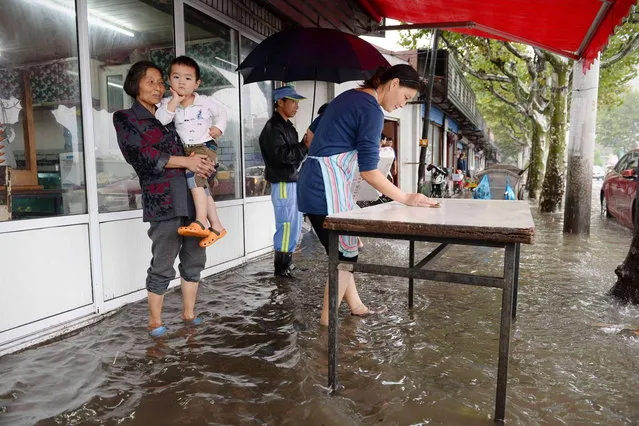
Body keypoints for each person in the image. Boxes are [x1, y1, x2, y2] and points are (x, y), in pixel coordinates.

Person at [297, 64, 439, 326]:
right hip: (324, 187)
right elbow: (370, 172)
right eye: (405, 98)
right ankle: (327, 324)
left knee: (345, 249)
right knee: (344, 255)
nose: (402, 105)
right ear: (394, 83)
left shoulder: (351, 96)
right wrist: (407, 197)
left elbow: (311, 133)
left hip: (316, 181)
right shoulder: (371, 109)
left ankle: (357, 305)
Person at [113, 61, 215, 337]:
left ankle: (188, 314)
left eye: (161, 83)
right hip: (163, 199)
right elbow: (142, 156)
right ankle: (155, 321)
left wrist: (204, 165)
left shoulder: (174, 113)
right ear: (135, 86)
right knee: (163, 261)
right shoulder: (125, 118)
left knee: (195, 258)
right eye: (151, 82)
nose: (159, 88)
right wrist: (187, 161)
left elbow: (195, 144)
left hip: (192, 198)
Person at [156, 56, 228, 248]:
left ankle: (200, 221)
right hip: (188, 150)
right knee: (202, 186)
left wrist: (218, 128)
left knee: (194, 177)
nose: (181, 82)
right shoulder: (166, 103)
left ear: (196, 84)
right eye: (176, 77)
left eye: (188, 78)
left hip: (205, 145)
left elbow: (222, 113)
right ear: (169, 80)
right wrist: (174, 101)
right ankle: (217, 226)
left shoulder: (205, 102)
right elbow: (161, 120)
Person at [259, 85, 309, 278]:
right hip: (282, 183)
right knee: (286, 225)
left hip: (291, 181)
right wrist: (304, 146)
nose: (297, 106)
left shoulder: (286, 126)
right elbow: (282, 157)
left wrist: (303, 147)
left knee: (294, 223)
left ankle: (288, 263)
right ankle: (281, 268)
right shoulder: (273, 129)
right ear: (280, 102)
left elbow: (292, 155)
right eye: (293, 102)